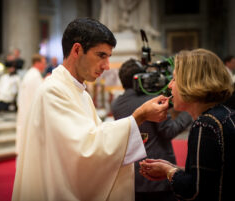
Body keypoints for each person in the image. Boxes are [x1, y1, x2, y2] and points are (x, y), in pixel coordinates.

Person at [12, 17, 170, 201]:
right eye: (101, 55)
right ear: (77, 50)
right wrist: (137, 118)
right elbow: (84, 152)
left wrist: (129, 128)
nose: (107, 66)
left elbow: (93, 136)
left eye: (109, 57)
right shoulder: (52, 91)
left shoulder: (80, 93)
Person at [139, 49, 235, 201]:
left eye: (175, 79)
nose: (170, 85)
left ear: (191, 83)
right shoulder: (224, 114)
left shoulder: (205, 124)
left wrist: (168, 171)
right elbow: (211, 176)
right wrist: (175, 169)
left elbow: (194, 192)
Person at [111, 58, 192, 201]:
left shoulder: (116, 104)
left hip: (133, 176)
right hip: (157, 173)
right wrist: (190, 112)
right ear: (142, 78)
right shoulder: (152, 101)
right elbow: (169, 131)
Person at [16, 54, 46, 155]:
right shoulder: (34, 76)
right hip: (30, 112)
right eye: (43, 63)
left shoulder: (30, 74)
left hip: (25, 110)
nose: (45, 66)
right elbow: (40, 96)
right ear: (37, 63)